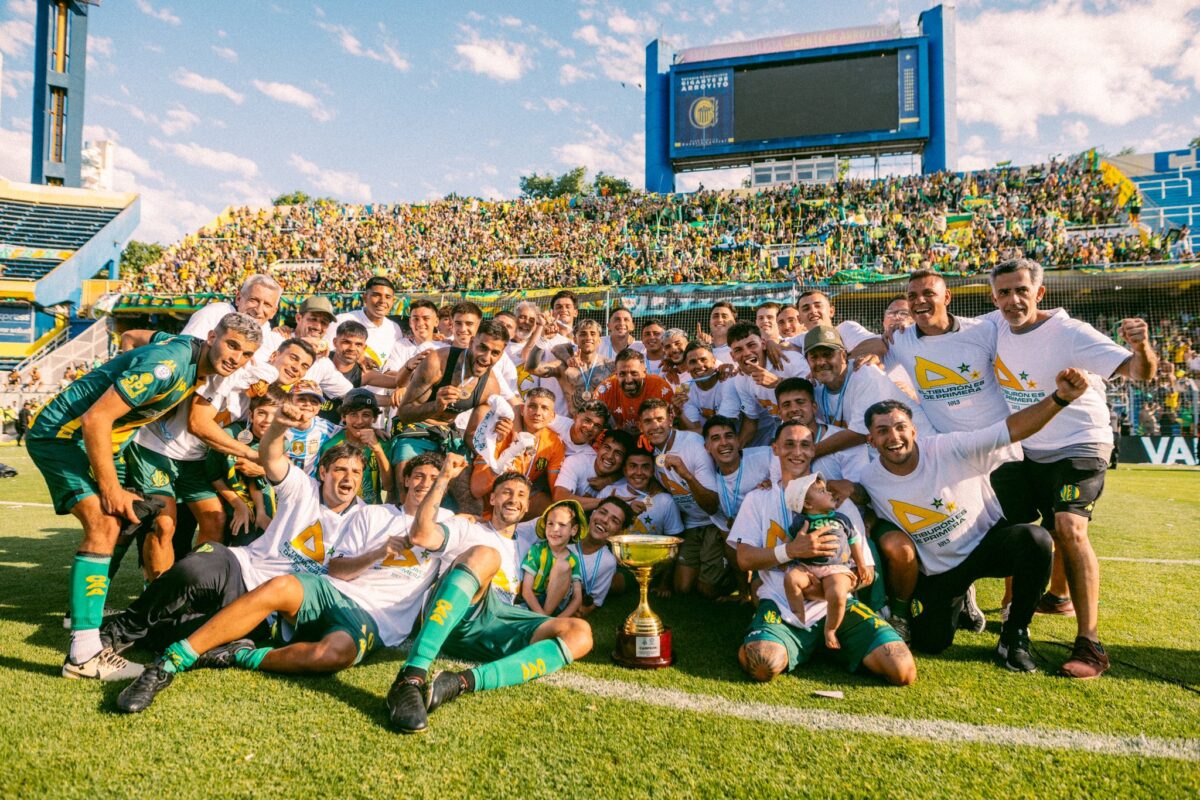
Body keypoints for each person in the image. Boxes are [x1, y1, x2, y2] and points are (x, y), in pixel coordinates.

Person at [27, 313, 261, 680]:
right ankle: (85, 655)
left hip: (108, 445)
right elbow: (95, 420)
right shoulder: (166, 367)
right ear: (212, 336)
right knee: (104, 521)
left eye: (246, 354)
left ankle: (85, 617)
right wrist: (110, 489)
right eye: (232, 344)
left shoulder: (191, 359)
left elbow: (134, 335)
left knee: (125, 521)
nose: (236, 357)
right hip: (63, 437)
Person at [114, 408, 396, 713]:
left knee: (176, 634)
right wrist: (278, 427)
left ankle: (169, 641)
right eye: (341, 469)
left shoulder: (367, 516)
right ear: (324, 473)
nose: (349, 478)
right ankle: (118, 630)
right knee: (194, 567)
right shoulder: (302, 487)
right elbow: (272, 456)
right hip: (244, 567)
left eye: (355, 472)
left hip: (270, 610)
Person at [857, 367, 1092, 672]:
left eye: (900, 427)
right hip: (942, 571)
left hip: (985, 546)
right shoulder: (868, 479)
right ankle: (962, 597)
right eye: (883, 430)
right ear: (871, 440)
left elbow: (1012, 429)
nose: (894, 437)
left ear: (914, 431)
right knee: (931, 642)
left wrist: (1061, 398)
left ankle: (1014, 634)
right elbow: (849, 497)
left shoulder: (948, 448)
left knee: (1035, 540)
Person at [989, 258, 1157, 678]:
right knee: (1020, 522)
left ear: (1039, 293)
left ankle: (1091, 644)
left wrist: (1142, 348)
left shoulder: (1070, 332)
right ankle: (1055, 598)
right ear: (994, 298)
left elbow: (1140, 374)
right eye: (1004, 292)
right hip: (1028, 447)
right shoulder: (993, 327)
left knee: (1068, 525)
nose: (1013, 300)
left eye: (1021, 291)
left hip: (1080, 442)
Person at [385, 455, 593, 734]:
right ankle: (410, 678)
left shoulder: (531, 542)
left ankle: (459, 682)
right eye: (506, 492)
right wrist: (444, 478)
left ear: (528, 506)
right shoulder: (468, 526)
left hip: (500, 619)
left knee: (580, 633)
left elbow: (568, 528)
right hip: (460, 612)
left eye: (521, 495)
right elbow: (422, 535)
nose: (513, 499)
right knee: (487, 555)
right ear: (492, 499)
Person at [731, 421, 914, 686]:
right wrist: (790, 551)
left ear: (813, 450)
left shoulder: (837, 502)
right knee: (762, 665)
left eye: (805, 445)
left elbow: (868, 573)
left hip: (837, 604)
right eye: (789, 444)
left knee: (902, 670)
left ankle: (828, 641)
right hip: (783, 605)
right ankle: (790, 639)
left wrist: (826, 590)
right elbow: (744, 558)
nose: (798, 451)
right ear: (775, 449)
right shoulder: (758, 499)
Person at [391, 319, 509, 475]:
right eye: (483, 348)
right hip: (413, 427)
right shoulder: (437, 362)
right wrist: (435, 406)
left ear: (502, 354)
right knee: (409, 477)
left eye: (495, 353)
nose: (486, 358)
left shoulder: (490, 387)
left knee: (464, 489)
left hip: (448, 434)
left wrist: (495, 438)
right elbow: (404, 413)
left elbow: (471, 437)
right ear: (472, 342)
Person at [637, 398, 722, 596]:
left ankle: (730, 563)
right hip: (692, 523)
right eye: (648, 421)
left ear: (671, 419)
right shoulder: (655, 450)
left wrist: (686, 474)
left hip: (716, 521)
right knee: (682, 588)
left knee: (707, 591)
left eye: (660, 419)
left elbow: (712, 505)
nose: (655, 426)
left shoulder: (693, 444)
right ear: (640, 426)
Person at [806, 324, 931, 457]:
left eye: (828, 355)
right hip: (885, 458)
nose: (820, 362)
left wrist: (807, 454)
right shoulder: (815, 386)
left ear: (843, 356)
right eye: (814, 357)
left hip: (921, 453)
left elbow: (859, 434)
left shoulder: (865, 372)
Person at [781, 472, 868, 649]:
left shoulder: (841, 519)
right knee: (791, 579)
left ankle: (830, 629)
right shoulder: (800, 522)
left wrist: (861, 564)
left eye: (827, 490)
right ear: (807, 504)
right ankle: (798, 616)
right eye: (822, 492)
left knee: (837, 593)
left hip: (836, 567)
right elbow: (788, 543)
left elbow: (853, 542)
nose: (829, 494)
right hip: (806, 566)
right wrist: (785, 558)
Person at [469, 388, 565, 518]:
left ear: (552, 416)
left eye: (544, 408)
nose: (538, 412)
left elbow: (557, 491)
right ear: (522, 410)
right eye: (532, 406)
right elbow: (476, 489)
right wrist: (500, 465)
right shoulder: (501, 431)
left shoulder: (554, 442)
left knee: (554, 512)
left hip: (521, 498)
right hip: (491, 503)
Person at [720, 322, 808, 447]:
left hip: (810, 426)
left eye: (751, 345)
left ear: (763, 344)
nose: (746, 353)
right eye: (738, 350)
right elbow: (751, 421)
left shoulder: (789, 360)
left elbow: (813, 393)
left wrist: (778, 383)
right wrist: (735, 450)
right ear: (732, 356)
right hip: (783, 431)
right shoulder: (741, 379)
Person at [525, 319, 615, 414]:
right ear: (575, 340)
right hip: (574, 423)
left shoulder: (610, 366)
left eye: (593, 333)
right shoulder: (563, 366)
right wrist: (543, 339)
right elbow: (531, 368)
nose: (588, 337)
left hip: (604, 423)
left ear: (599, 340)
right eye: (583, 334)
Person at [320, 388, 392, 504]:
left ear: (374, 418)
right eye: (353, 414)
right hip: (338, 512)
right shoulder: (331, 446)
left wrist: (377, 449)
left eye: (366, 415)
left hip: (370, 513)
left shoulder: (383, 444)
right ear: (343, 417)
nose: (359, 421)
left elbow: (389, 487)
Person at [520, 500, 585, 617]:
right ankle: (544, 620)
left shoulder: (573, 560)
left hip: (558, 605)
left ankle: (546, 621)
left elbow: (577, 598)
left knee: (563, 565)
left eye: (562, 525)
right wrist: (543, 617)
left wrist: (559, 619)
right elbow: (526, 591)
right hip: (534, 603)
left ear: (573, 530)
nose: (555, 529)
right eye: (550, 523)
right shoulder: (537, 550)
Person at [573, 497, 634, 616]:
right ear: (592, 514)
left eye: (614, 520)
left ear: (620, 532)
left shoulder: (607, 562)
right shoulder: (564, 532)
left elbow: (590, 605)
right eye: (602, 512)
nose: (605, 520)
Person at [328, 276, 403, 369]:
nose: (382, 301)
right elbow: (324, 353)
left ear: (393, 301)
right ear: (365, 297)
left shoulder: (394, 328)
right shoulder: (342, 320)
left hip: (383, 381)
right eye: (376, 295)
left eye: (388, 297)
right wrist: (357, 358)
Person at [595, 349, 674, 435]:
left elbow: (672, 424)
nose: (628, 380)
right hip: (622, 440)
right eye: (622, 374)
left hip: (653, 437)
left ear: (644, 372)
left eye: (634, 373)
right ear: (616, 374)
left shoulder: (660, 388)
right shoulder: (607, 387)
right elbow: (591, 415)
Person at [282, 381, 342, 477]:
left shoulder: (326, 428)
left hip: (309, 486)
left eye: (314, 401)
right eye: (301, 399)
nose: (308, 404)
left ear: (318, 409)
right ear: (289, 401)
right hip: (278, 484)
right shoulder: (278, 424)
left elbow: (348, 431)